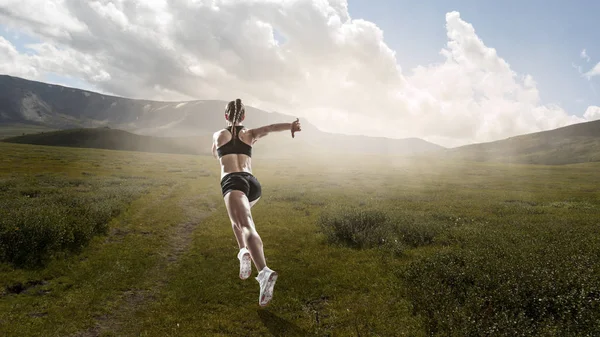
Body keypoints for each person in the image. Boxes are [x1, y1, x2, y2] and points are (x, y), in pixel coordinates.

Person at [211, 98, 302, 307]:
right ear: (243, 117)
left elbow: (214, 152)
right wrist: (291, 126)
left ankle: (263, 271)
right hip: (253, 184)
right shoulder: (250, 134)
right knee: (236, 219)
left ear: (226, 116)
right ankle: (243, 251)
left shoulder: (218, 135)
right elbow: (270, 128)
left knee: (245, 224)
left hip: (233, 181)